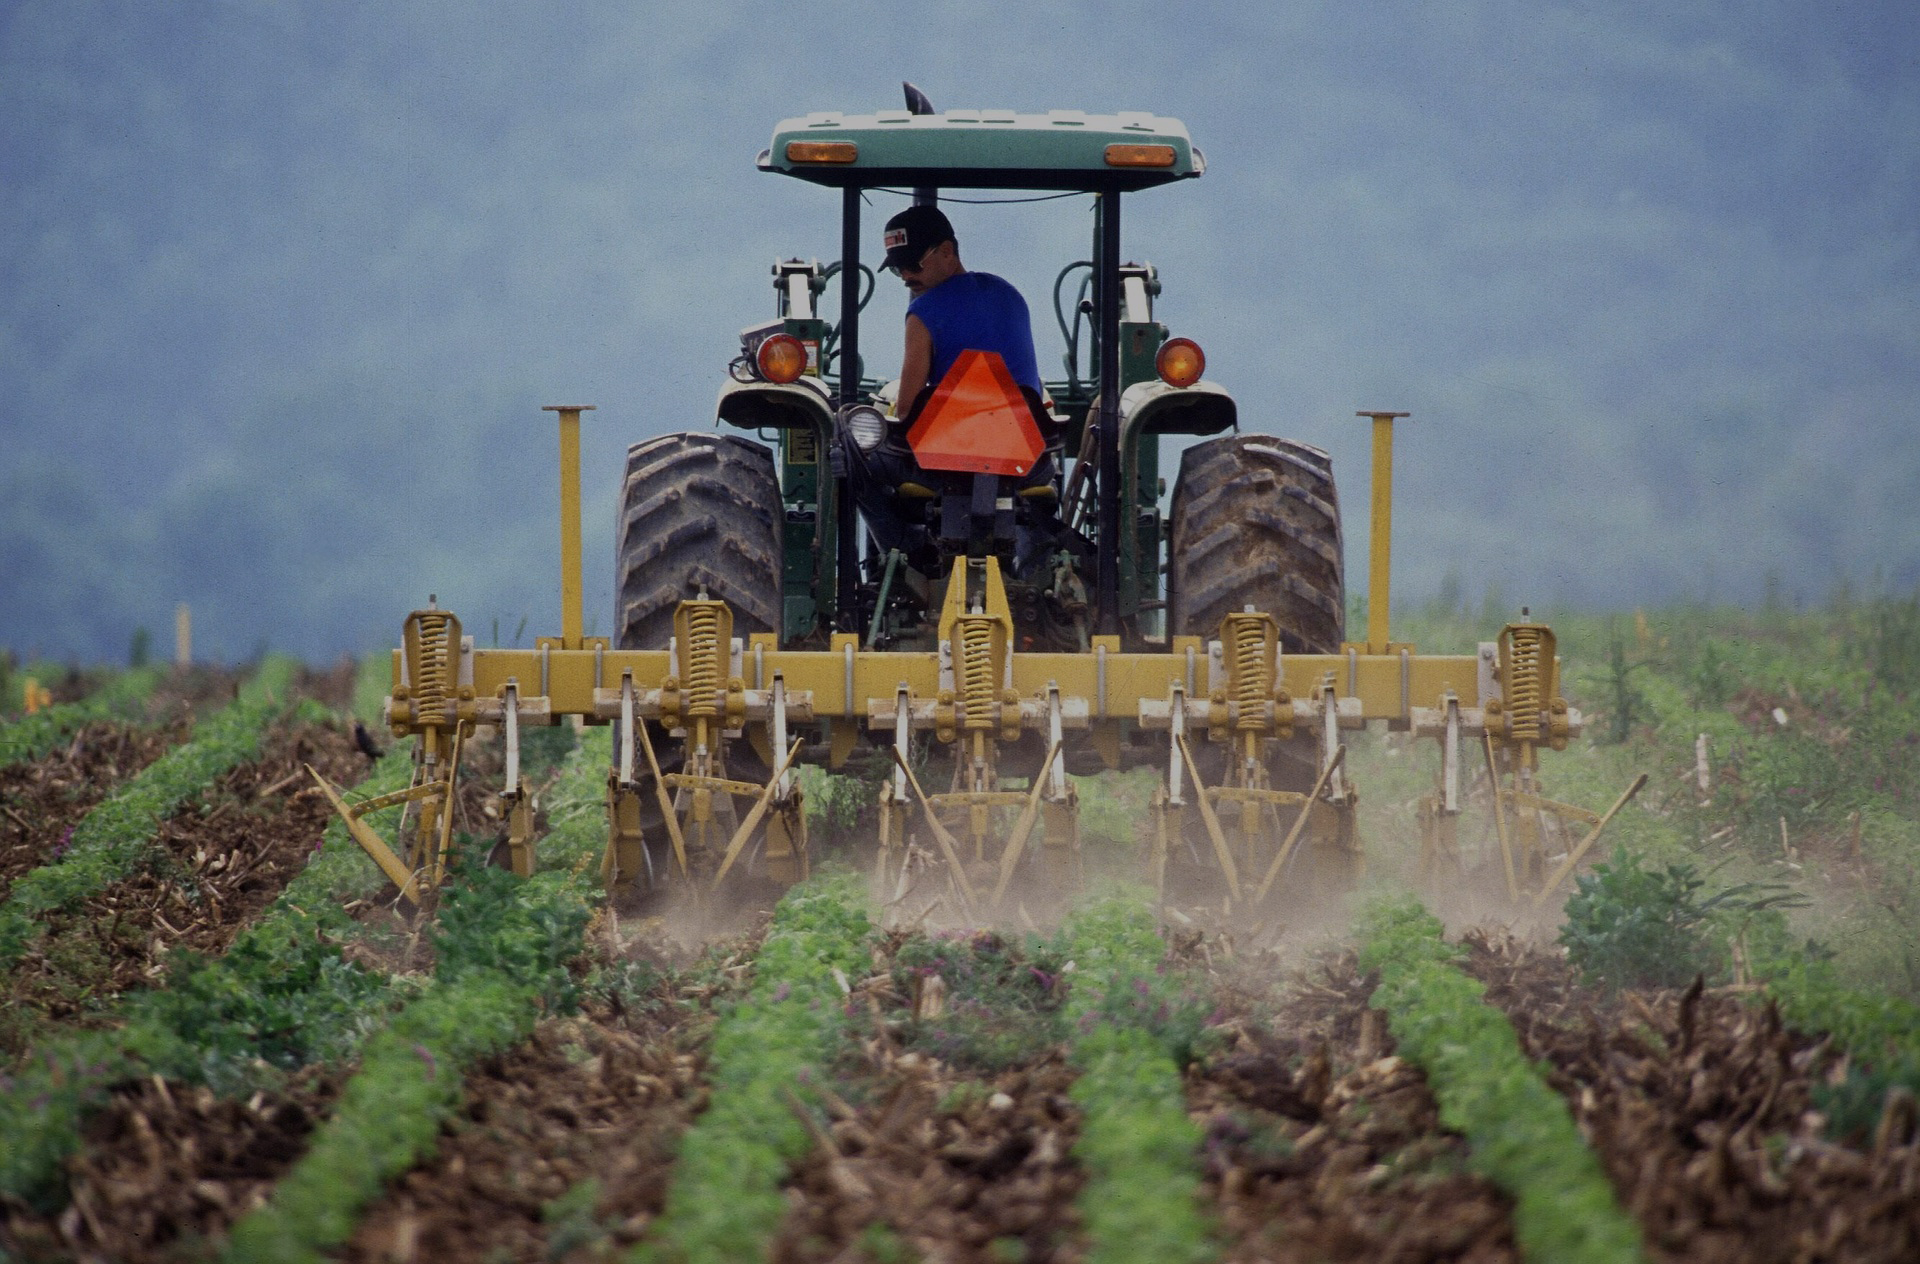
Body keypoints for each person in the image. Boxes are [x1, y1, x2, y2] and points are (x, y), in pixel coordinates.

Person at [879, 204, 1042, 418]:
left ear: (947, 251)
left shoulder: (923, 313)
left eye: (913, 264)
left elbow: (907, 412)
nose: (906, 276)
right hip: (1030, 441)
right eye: (897, 268)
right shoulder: (1009, 294)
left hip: (959, 444)